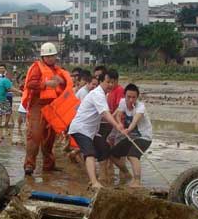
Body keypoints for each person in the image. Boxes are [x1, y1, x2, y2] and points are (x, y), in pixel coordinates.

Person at [21, 42, 73, 175]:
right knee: (35, 136)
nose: (50, 58)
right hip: (37, 105)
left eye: (52, 56)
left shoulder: (58, 70)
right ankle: (29, 165)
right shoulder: (36, 67)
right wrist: (45, 84)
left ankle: (48, 165)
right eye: (48, 56)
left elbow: (66, 86)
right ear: (43, 57)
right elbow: (30, 83)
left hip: (53, 106)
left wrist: (61, 82)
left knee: (50, 137)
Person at [68, 70, 125, 189]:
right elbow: (105, 113)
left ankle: (103, 178)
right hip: (81, 129)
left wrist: (117, 124)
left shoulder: (103, 94)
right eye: (107, 82)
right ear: (101, 82)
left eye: (112, 82)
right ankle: (94, 182)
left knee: (104, 149)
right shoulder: (97, 94)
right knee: (90, 153)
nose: (110, 85)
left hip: (91, 131)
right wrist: (116, 125)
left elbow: (104, 115)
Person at [109, 83, 153, 187]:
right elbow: (119, 115)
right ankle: (126, 173)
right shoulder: (123, 102)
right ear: (124, 95)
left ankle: (137, 181)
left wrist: (127, 130)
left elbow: (135, 121)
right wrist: (119, 124)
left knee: (132, 156)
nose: (131, 100)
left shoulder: (140, 106)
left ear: (137, 97)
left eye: (134, 97)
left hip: (144, 137)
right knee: (112, 154)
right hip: (131, 137)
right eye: (128, 97)